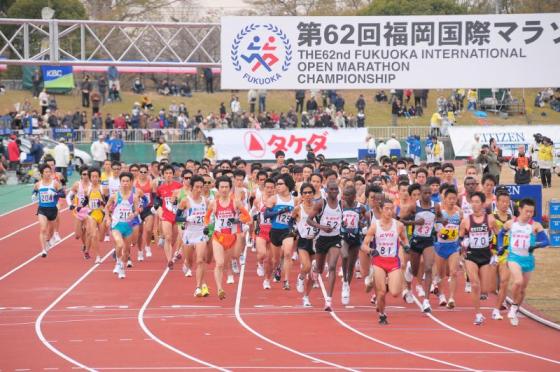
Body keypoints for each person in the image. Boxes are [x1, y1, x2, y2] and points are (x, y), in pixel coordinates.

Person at [497, 198, 549, 326]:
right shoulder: (511, 223)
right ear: (520, 210)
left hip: (528, 259)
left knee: (523, 289)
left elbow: (546, 241)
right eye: (527, 211)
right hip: (514, 257)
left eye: (531, 212)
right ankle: (512, 306)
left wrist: (535, 246)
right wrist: (500, 246)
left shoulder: (535, 225)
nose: (529, 214)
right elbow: (500, 234)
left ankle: (514, 308)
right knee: (518, 281)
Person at [362, 198, 408, 324]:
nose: (389, 211)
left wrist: (406, 245)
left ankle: (378, 281)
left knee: (394, 292)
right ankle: (382, 315)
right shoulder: (375, 226)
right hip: (379, 261)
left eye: (391, 208)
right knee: (381, 293)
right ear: (381, 210)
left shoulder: (398, 225)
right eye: (386, 208)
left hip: (393, 261)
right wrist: (371, 251)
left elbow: (404, 239)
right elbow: (364, 245)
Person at [204, 176, 251, 299]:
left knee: (233, 257)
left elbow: (247, 217)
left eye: (226, 187)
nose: (224, 189)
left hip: (233, 237)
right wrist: (206, 226)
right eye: (221, 187)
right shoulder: (213, 203)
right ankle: (220, 288)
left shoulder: (236, 202)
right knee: (219, 263)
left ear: (230, 188)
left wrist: (237, 220)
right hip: (218, 236)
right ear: (217, 188)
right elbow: (207, 217)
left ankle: (234, 262)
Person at [401, 183, 440, 313]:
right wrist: (414, 222)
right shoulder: (414, 206)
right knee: (415, 269)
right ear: (421, 193)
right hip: (416, 241)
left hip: (428, 241)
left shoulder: (435, 206)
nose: (428, 195)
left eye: (430, 193)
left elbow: (439, 217)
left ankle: (426, 301)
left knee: (428, 268)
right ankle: (409, 269)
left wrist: (442, 221)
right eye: (425, 193)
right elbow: (401, 220)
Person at [459, 191, 497, 325]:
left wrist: (496, 251)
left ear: (482, 204)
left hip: (486, 255)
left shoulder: (490, 219)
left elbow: (498, 235)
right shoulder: (466, 220)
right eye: (472, 202)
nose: (474, 205)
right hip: (471, 255)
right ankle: (478, 314)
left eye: (477, 202)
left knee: (485, 289)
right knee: (475, 284)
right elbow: (460, 238)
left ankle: (483, 295)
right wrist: (463, 244)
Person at [307, 181, 343, 311]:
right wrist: (322, 227)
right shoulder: (321, 203)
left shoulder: (341, 204)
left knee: (332, 266)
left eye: (335, 189)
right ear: (327, 191)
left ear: (338, 191)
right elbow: (309, 220)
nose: (334, 191)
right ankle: (314, 269)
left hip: (335, 239)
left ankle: (328, 300)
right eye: (331, 189)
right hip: (322, 239)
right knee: (319, 269)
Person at [176, 175, 210, 297]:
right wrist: (187, 218)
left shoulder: (205, 201)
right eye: (197, 187)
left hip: (200, 233)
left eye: (201, 187)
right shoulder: (185, 201)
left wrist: (207, 225)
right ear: (191, 187)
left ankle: (198, 287)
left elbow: (209, 217)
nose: (199, 189)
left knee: (200, 260)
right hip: (189, 234)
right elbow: (176, 217)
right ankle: (186, 263)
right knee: (190, 262)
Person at [106, 172, 141, 279]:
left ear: (131, 182)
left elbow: (137, 210)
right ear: (120, 182)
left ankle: (121, 265)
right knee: (119, 244)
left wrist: (133, 214)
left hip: (128, 226)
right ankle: (118, 262)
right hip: (116, 225)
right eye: (123, 181)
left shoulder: (134, 197)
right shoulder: (115, 196)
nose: (125, 183)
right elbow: (106, 208)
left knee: (126, 251)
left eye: (127, 181)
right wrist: (108, 218)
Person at [265, 173, 296, 290]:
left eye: (280, 184)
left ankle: (286, 280)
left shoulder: (295, 200)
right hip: (275, 231)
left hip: (287, 231)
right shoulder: (273, 199)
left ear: (287, 185)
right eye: (276, 184)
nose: (277, 186)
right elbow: (267, 214)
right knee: (275, 260)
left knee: (287, 253)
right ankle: (269, 277)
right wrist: (280, 211)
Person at [340, 185, 369, 305]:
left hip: (356, 238)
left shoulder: (360, 207)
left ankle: (347, 285)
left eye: (347, 195)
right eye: (344, 194)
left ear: (353, 196)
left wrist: (362, 223)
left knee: (351, 264)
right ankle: (345, 281)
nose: (345, 197)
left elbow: (366, 219)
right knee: (344, 256)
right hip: (344, 236)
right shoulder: (341, 205)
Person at [434, 186, 462, 308]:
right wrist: (441, 233)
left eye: (454, 199)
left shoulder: (459, 213)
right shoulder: (440, 212)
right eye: (449, 198)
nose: (452, 201)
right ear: (444, 199)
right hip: (440, 246)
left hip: (453, 247)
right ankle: (441, 295)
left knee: (453, 272)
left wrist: (459, 236)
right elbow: (436, 229)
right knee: (441, 274)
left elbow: (462, 227)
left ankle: (451, 298)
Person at [32, 164, 64, 257]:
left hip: (52, 210)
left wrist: (55, 193)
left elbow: (63, 194)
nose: (48, 173)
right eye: (46, 172)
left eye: (49, 171)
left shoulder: (55, 183)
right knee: (43, 229)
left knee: (50, 232)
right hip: (42, 209)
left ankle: (48, 241)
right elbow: (34, 191)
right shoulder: (38, 184)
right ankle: (43, 250)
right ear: (42, 173)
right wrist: (33, 195)